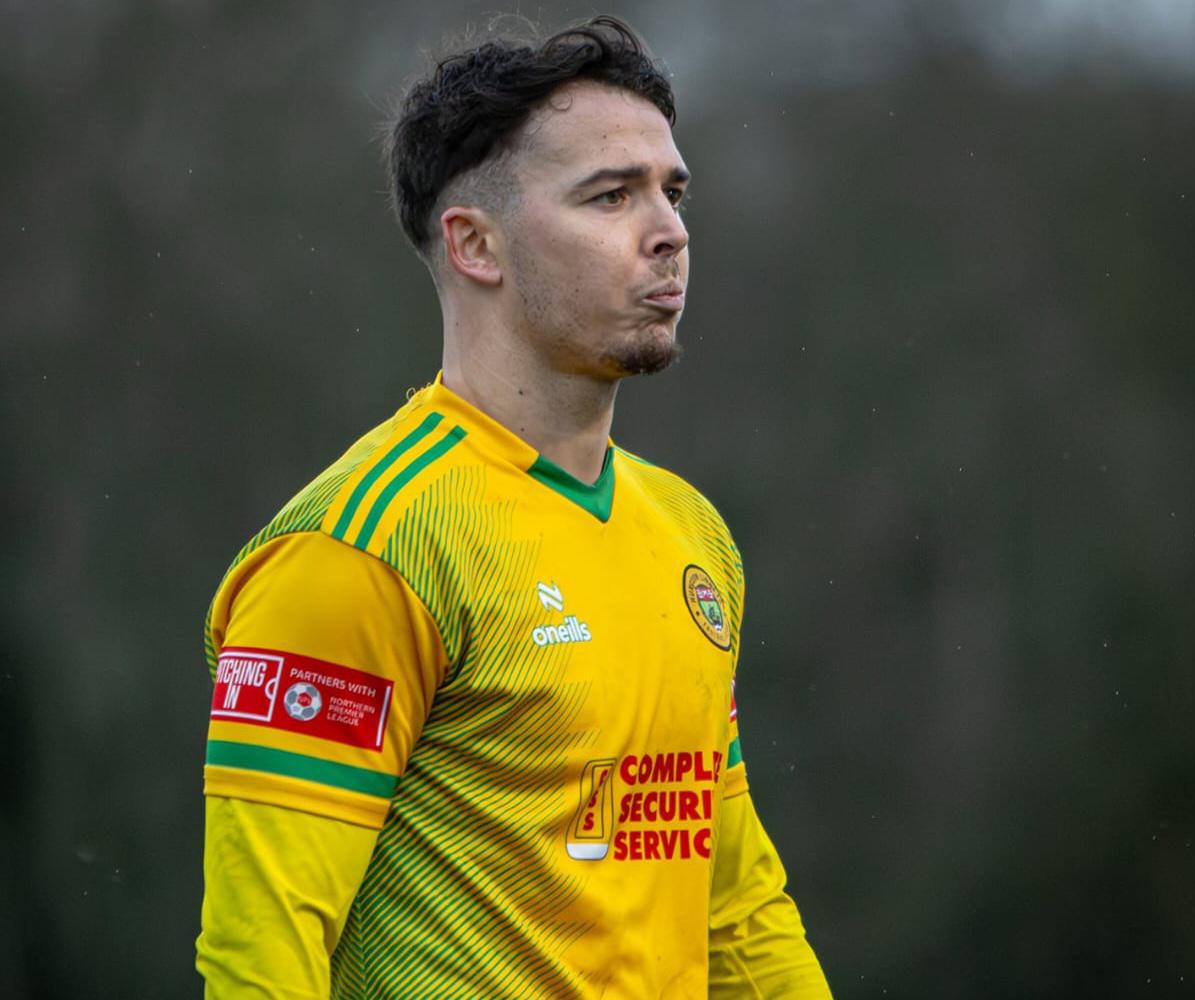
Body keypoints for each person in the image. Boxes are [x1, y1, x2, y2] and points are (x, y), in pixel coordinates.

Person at [196, 15, 831, 998]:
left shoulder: (691, 534)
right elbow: (261, 958)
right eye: (611, 195)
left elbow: (739, 915)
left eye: (672, 192)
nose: (670, 232)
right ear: (475, 245)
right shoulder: (361, 548)